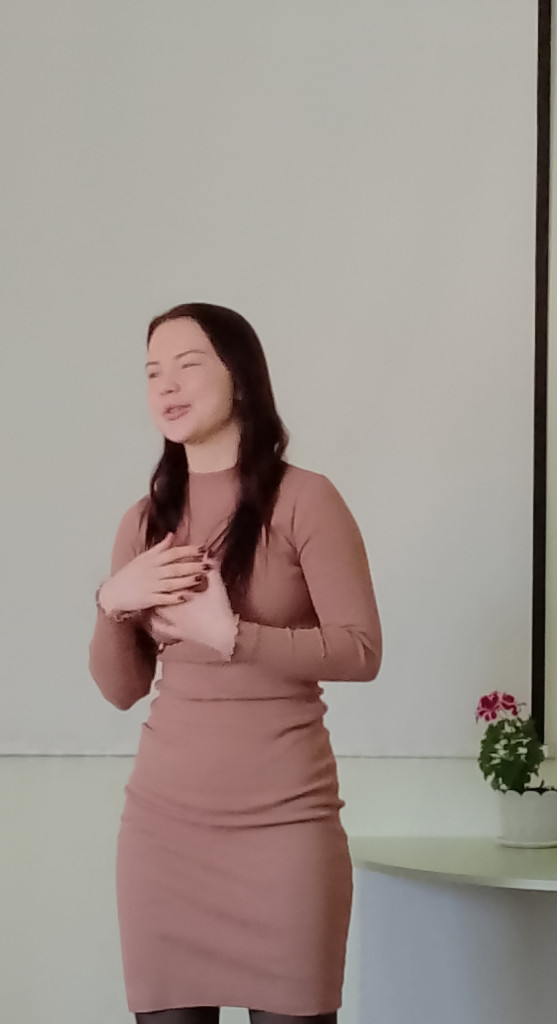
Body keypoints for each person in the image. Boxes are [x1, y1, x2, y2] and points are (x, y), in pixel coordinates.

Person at [89, 302, 382, 1024]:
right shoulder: (145, 520)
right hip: (162, 834)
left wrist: (232, 636)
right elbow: (122, 689)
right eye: (152, 372)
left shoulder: (306, 499)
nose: (167, 385)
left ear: (242, 378)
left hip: (286, 833)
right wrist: (111, 602)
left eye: (188, 365)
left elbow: (360, 649)